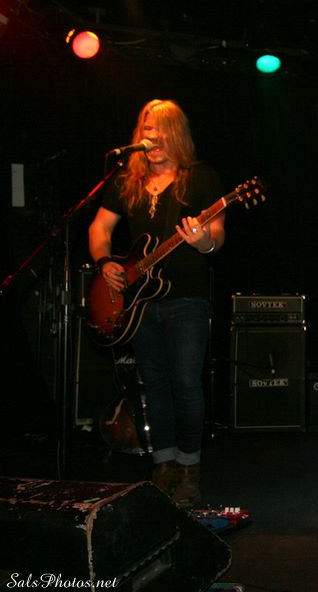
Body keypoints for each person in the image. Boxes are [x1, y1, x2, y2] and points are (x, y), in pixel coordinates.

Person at [88, 99, 224, 507]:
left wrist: (203, 240)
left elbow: (217, 235)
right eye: (147, 129)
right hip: (140, 303)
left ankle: (190, 467)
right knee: (155, 384)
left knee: (186, 383)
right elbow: (99, 227)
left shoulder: (201, 178)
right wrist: (105, 262)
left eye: (160, 130)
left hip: (186, 300)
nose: (152, 137)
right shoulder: (126, 181)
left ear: (176, 134)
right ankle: (163, 464)